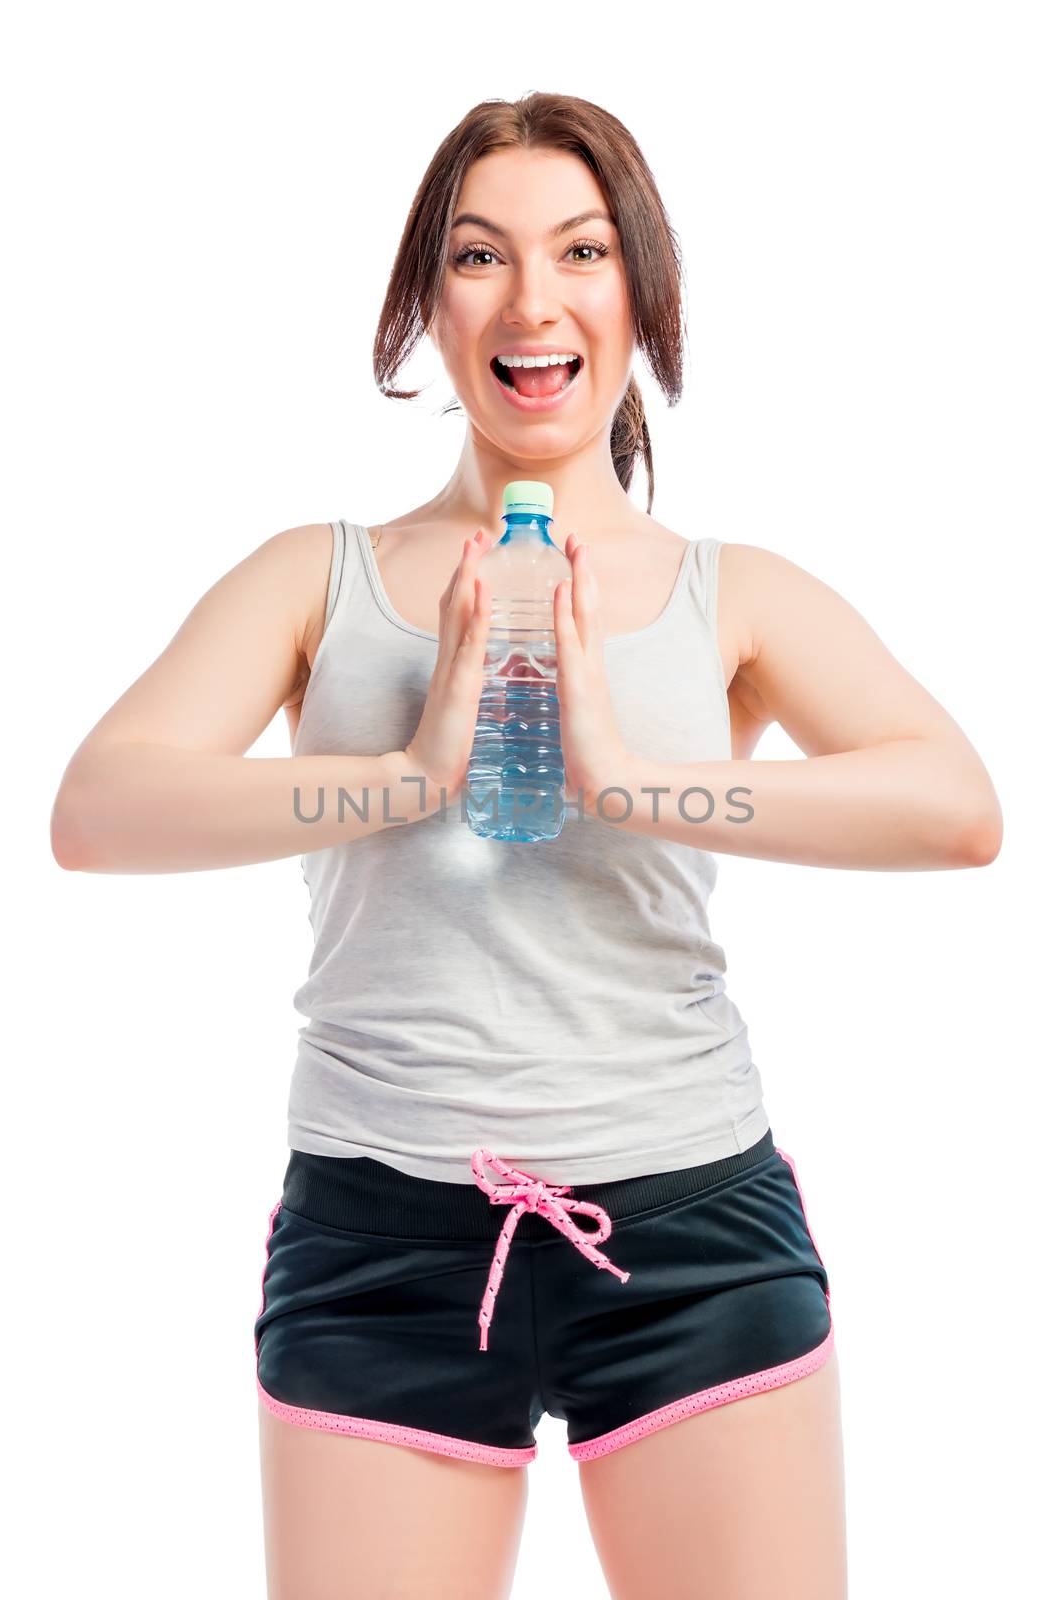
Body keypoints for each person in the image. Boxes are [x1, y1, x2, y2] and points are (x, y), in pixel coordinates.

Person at [51, 92, 1002, 1600]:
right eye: (481, 255)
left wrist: (628, 778)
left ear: (642, 295)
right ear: (430, 299)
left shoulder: (729, 592)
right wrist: (408, 769)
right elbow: (96, 814)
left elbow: (957, 811)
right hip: (381, 1248)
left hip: (692, 1233)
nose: (533, 300)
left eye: (583, 250)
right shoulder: (324, 576)